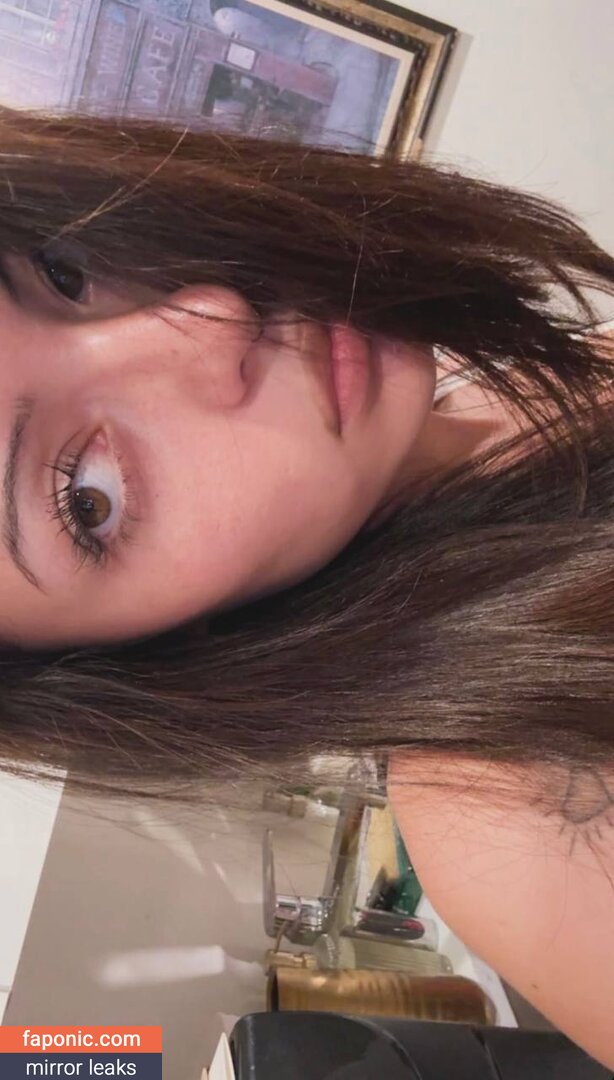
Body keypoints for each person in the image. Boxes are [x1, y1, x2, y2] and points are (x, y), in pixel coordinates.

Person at [1, 104, 614, 1067]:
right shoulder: (529, 815)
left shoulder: (506, 398)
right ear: (150, 651)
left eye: (66, 270)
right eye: (88, 499)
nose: (211, 321)